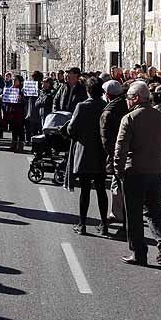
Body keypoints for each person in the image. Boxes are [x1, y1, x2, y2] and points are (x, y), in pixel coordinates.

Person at [114, 81, 161, 265]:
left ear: (136, 98)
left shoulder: (130, 118)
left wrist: (117, 170)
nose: (127, 101)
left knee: (134, 215)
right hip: (155, 171)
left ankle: (139, 253)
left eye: (128, 98)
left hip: (135, 172)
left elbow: (121, 148)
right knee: (154, 211)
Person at [65, 77, 110, 236]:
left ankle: (82, 224)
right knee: (101, 191)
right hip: (101, 153)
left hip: (84, 152)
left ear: (88, 90)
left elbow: (71, 129)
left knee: (85, 190)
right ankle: (104, 224)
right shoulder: (105, 106)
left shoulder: (82, 106)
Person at [99, 79, 129, 238]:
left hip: (119, 155)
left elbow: (106, 140)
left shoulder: (108, 112)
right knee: (117, 187)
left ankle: (125, 226)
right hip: (129, 153)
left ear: (107, 95)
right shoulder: (127, 106)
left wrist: (113, 156)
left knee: (122, 189)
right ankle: (117, 214)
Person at [4, 74, 26, 152]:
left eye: (16, 80)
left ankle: (20, 146)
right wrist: (3, 97)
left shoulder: (22, 90)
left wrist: (21, 99)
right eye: (13, 80)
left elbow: (26, 102)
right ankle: (13, 145)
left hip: (19, 113)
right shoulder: (10, 89)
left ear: (20, 82)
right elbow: (7, 101)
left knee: (20, 130)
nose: (14, 81)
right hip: (11, 112)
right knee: (14, 130)